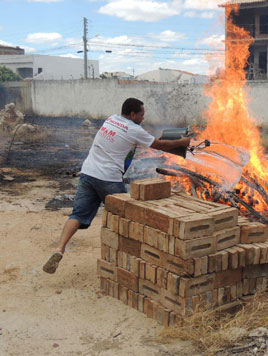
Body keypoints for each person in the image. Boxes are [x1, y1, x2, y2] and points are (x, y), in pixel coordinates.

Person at [43, 98, 190, 274]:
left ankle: (59, 249)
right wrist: (182, 142)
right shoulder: (134, 129)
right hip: (109, 179)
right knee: (126, 218)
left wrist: (163, 140)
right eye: (142, 115)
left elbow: (149, 141)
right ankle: (130, 258)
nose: (143, 118)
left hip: (88, 173)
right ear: (133, 114)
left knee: (77, 215)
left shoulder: (111, 119)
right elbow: (158, 145)